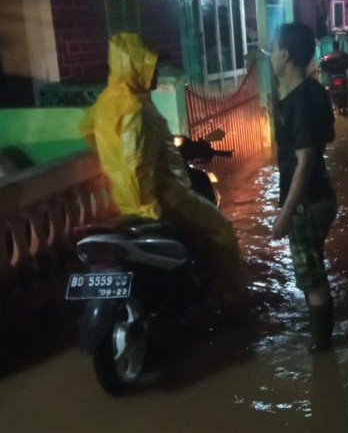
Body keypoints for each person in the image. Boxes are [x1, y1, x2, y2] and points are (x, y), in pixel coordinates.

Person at [80, 33, 248, 308]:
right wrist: (148, 208)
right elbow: (137, 164)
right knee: (222, 230)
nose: (156, 72)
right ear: (135, 67)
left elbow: (90, 133)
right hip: (164, 197)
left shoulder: (107, 102)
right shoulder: (137, 109)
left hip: (123, 199)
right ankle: (235, 297)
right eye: (151, 66)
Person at [269, 23, 338, 353]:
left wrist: (286, 212)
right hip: (322, 195)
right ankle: (322, 338)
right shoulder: (315, 91)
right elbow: (328, 137)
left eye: (272, 48)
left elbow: (305, 161)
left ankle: (321, 352)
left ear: (285, 55)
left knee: (311, 279)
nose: (269, 55)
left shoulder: (297, 102)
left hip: (306, 203)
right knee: (315, 267)